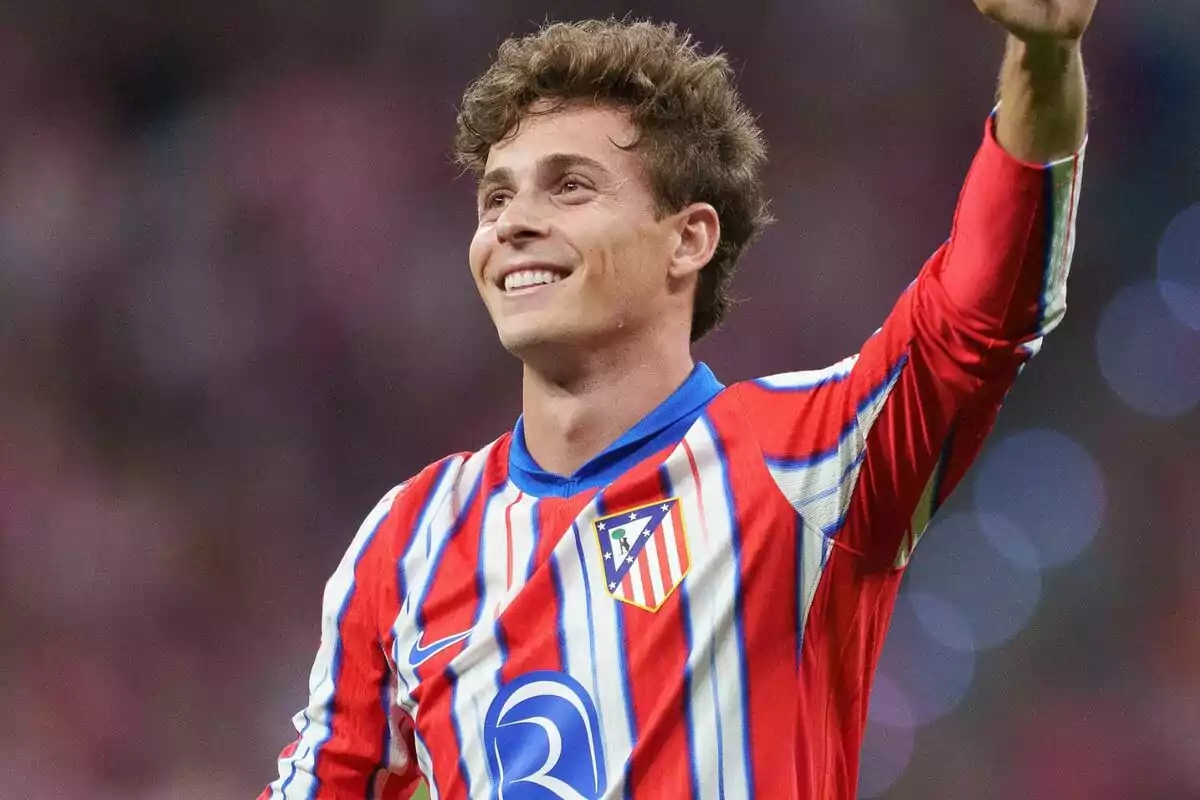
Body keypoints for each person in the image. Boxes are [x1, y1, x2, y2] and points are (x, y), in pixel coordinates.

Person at [260, 2, 1095, 797]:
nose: (513, 223)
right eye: (497, 196)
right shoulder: (408, 542)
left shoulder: (799, 459)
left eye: (570, 187)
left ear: (688, 239)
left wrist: (1043, 62)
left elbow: (977, 321)